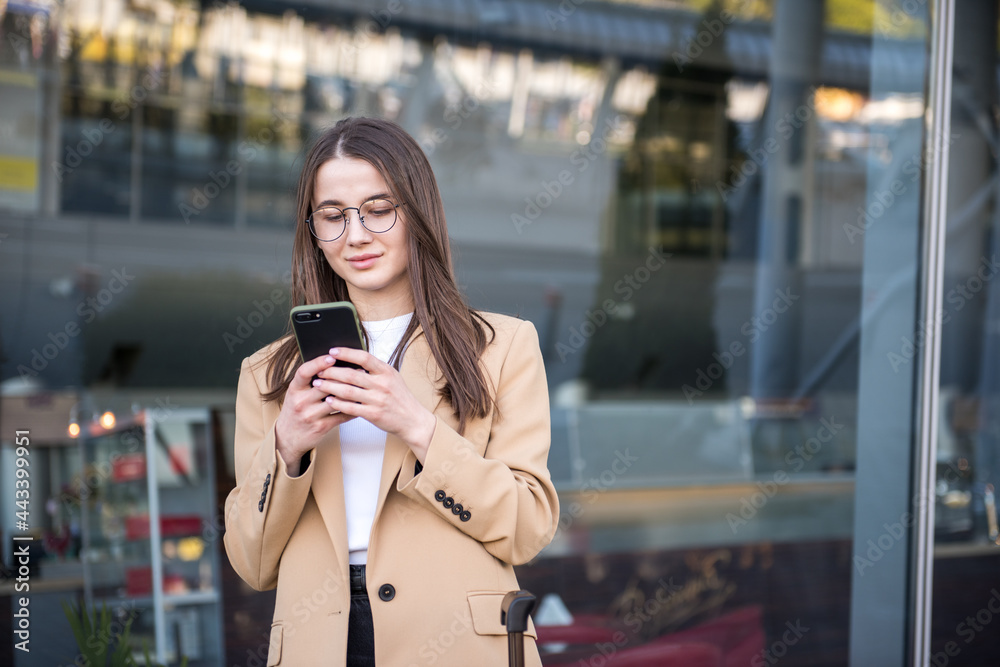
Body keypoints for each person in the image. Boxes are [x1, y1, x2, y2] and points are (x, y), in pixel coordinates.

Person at [224, 116, 559, 667]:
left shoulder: (501, 348)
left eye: (379, 210)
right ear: (312, 230)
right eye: (332, 216)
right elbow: (252, 562)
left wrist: (418, 427)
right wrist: (285, 449)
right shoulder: (268, 375)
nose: (356, 235)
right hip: (319, 643)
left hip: (455, 642)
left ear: (417, 212)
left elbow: (526, 529)